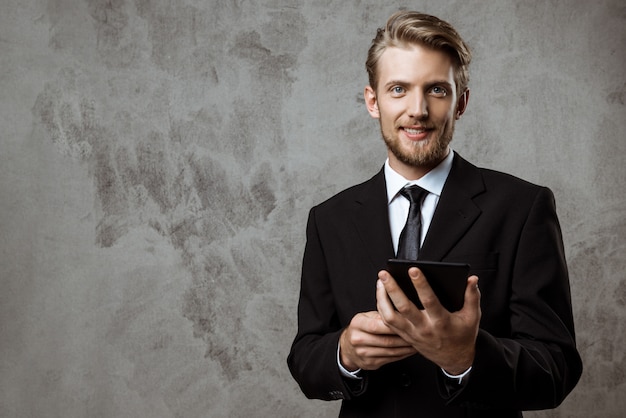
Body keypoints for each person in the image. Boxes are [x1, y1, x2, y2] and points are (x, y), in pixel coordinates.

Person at [287, 10, 582, 418]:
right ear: (373, 101)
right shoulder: (329, 219)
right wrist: (345, 353)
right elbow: (305, 358)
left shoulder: (522, 208)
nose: (418, 109)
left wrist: (467, 357)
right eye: (398, 89)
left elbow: (557, 369)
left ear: (461, 102)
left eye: (437, 90)